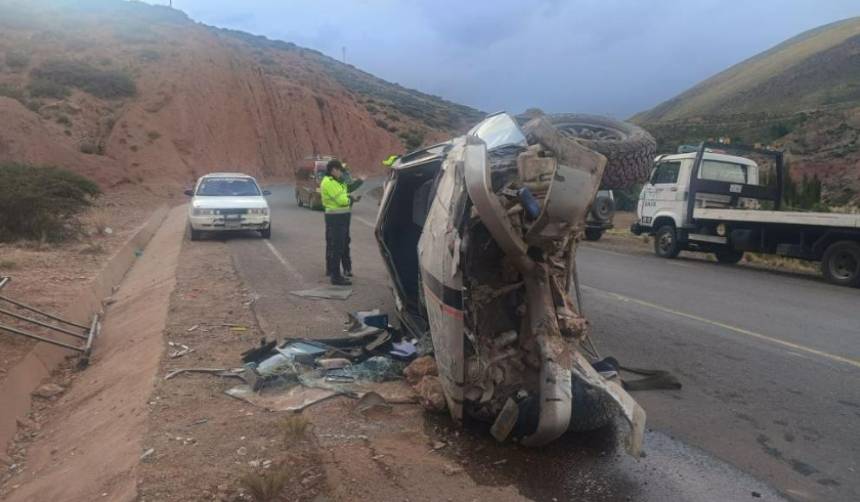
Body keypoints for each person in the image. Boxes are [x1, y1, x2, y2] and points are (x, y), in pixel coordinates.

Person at [320, 160, 360, 285]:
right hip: (336, 218)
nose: (341, 172)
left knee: (341, 245)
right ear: (333, 170)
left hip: (341, 217)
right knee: (336, 247)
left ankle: (336, 272)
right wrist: (351, 199)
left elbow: (345, 191)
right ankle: (335, 276)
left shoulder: (336, 181)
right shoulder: (329, 182)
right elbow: (341, 200)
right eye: (339, 170)